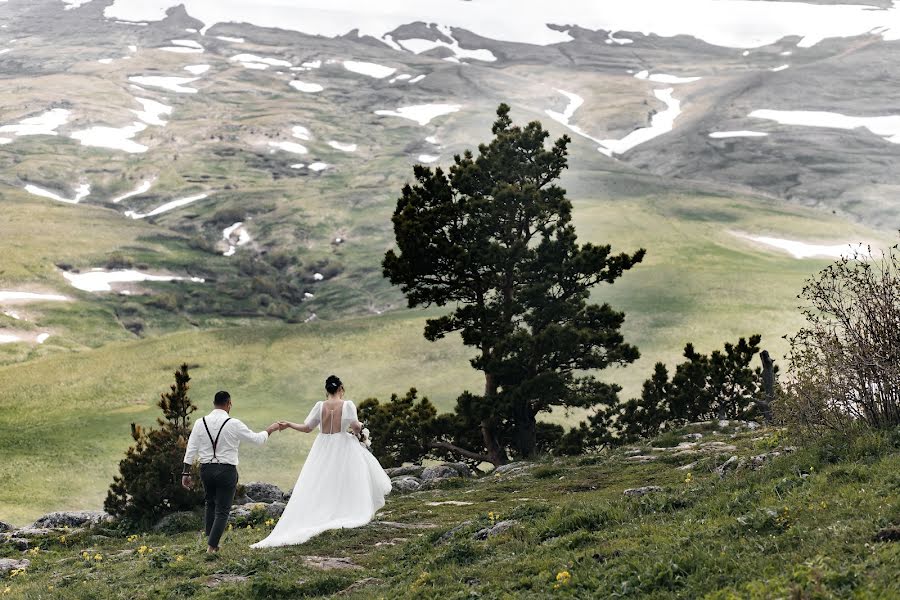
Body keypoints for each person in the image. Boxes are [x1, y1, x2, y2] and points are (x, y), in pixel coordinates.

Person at [251, 375, 391, 548]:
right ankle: (344, 509)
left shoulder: (320, 406)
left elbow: (307, 428)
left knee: (321, 480)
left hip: (323, 445)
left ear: (327, 390)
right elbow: (355, 427)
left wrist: (288, 424)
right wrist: (362, 433)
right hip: (342, 444)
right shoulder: (347, 405)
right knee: (346, 478)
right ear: (341, 388)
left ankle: (323, 511)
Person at [181, 390, 282, 553]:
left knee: (210, 504)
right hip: (226, 471)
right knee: (223, 509)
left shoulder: (200, 423)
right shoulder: (234, 424)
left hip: (206, 469)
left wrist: (185, 473)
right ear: (229, 404)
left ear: (214, 404)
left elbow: (191, 449)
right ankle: (211, 547)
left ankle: (210, 539)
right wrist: (270, 429)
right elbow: (257, 440)